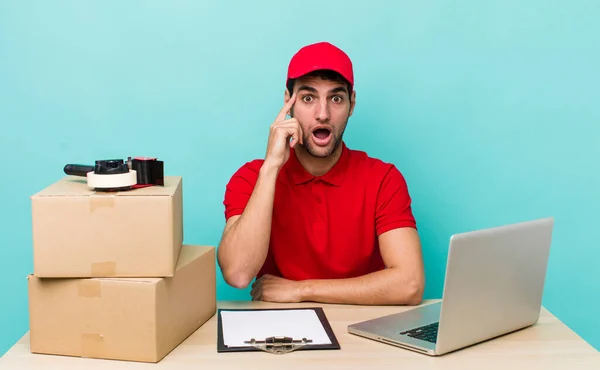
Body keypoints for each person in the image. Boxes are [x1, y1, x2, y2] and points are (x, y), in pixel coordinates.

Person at [217, 41, 424, 305]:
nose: (322, 114)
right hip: (278, 333)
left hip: (360, 331)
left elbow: (410, 284)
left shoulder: (383, 179)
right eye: (308, 98)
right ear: (287, 103)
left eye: (336, 98)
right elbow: (237, 274)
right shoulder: (251, 177)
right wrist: (270, 168)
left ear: (352, 103)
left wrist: (302, 290)